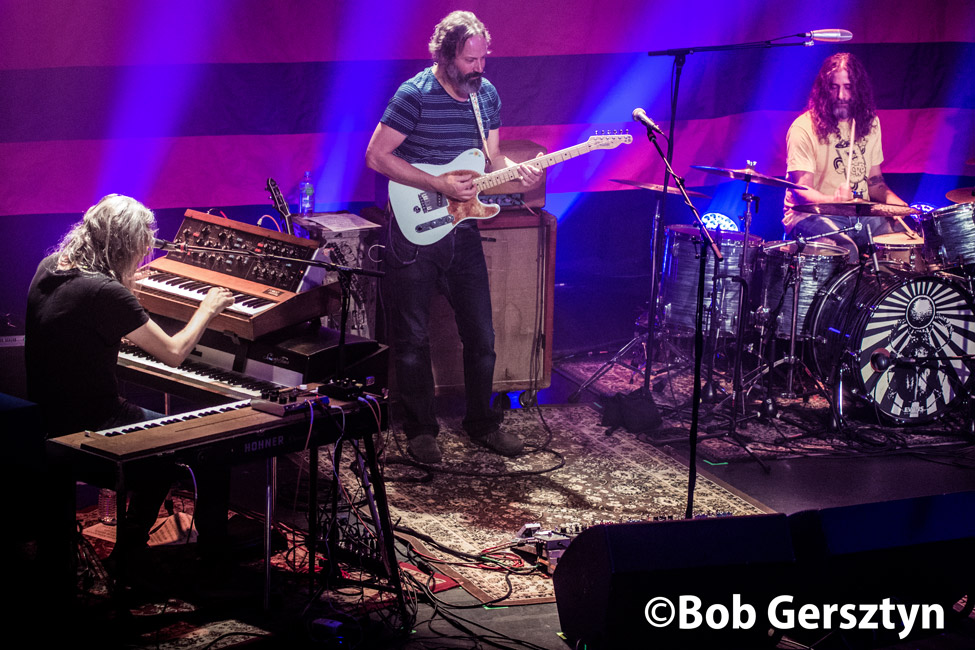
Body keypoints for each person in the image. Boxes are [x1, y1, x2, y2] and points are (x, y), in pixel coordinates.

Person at [365, 11, 541, 464]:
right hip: (413, 229)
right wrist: (438, 184)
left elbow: (493, 157)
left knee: (482, 334)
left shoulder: (486, 96)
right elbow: (377, 156)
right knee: (412, 338)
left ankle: (481, 422)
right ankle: (421, 430)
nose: (478, 68)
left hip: (463, 229)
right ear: (444, 55)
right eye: (469, 59)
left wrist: (519, 174)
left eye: (483, 58)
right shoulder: (414, 95)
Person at [26, 193, 235, 563]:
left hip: (46, 421)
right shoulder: (105, 292)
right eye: (140, 250)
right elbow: (174, 352)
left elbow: (81, 320)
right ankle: (187, 559)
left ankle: (132, 552)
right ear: (124, 246)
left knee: (168, 445)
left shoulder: (50, 266)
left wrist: (124, 282)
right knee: (210, 448)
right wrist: (207, 310)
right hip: (97, 426)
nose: (143, 257)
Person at [783, 52, 909, 262]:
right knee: (845, 250)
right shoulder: (803, 128)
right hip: (810, 216)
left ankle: (881, 295)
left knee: (899, 244)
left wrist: (897, 205)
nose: (841, 95)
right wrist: (834, 201)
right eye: (834, 87)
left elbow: (875, 183)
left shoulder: (869, 123)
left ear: (858, 89)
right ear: (824, 89)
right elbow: (802, 192)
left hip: (859, 215)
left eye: (848, 87)